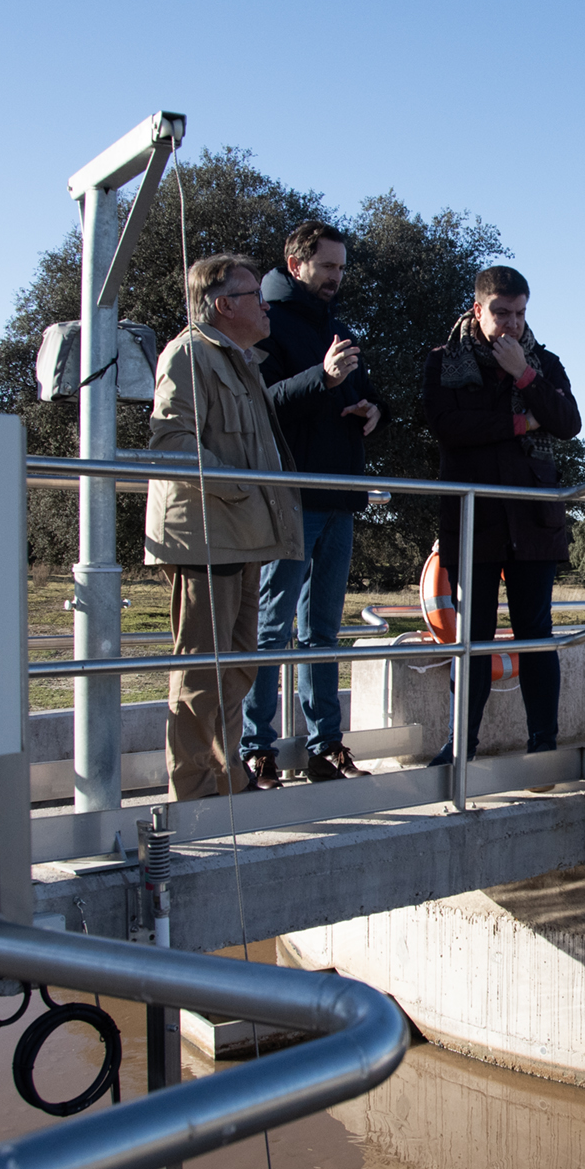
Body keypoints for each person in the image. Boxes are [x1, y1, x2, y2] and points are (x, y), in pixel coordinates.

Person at [144, 253, 303, 801]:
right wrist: (242, 489)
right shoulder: (187, 355)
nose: (265, 305)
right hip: (205, 538)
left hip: (242, 536)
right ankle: (193, 792)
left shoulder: (242, 362)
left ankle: (225, 777)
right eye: (254, 295)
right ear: (222, 305)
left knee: (236, 669)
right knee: (201, 674)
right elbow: (171, 444)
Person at [238, 221, 386, 787]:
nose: (336, 277)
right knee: (272, 629)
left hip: (340, 496)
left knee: (323, 631)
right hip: (291, 499)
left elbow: (367, 396)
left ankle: (327, 746)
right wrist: (319, 381)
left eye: (342, 268)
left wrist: (374, 412)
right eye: (328, 267)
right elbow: (261, 406)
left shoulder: (340, 327)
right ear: (296, 263)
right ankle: (258, 749)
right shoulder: (265, 324)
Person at [421, 266, 582, 763]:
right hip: (475, 519)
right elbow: (448, 427)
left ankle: (543, 745)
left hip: (534, 519)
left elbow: (568, 422)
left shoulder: (543, 363)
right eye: (502, 312)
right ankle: (460, 747)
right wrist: (519, 421)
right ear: (478, 309)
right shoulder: (443, 362)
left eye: (520, 313)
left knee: (537, 633)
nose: (512, 323)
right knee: (474, 637)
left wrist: (525, 375)